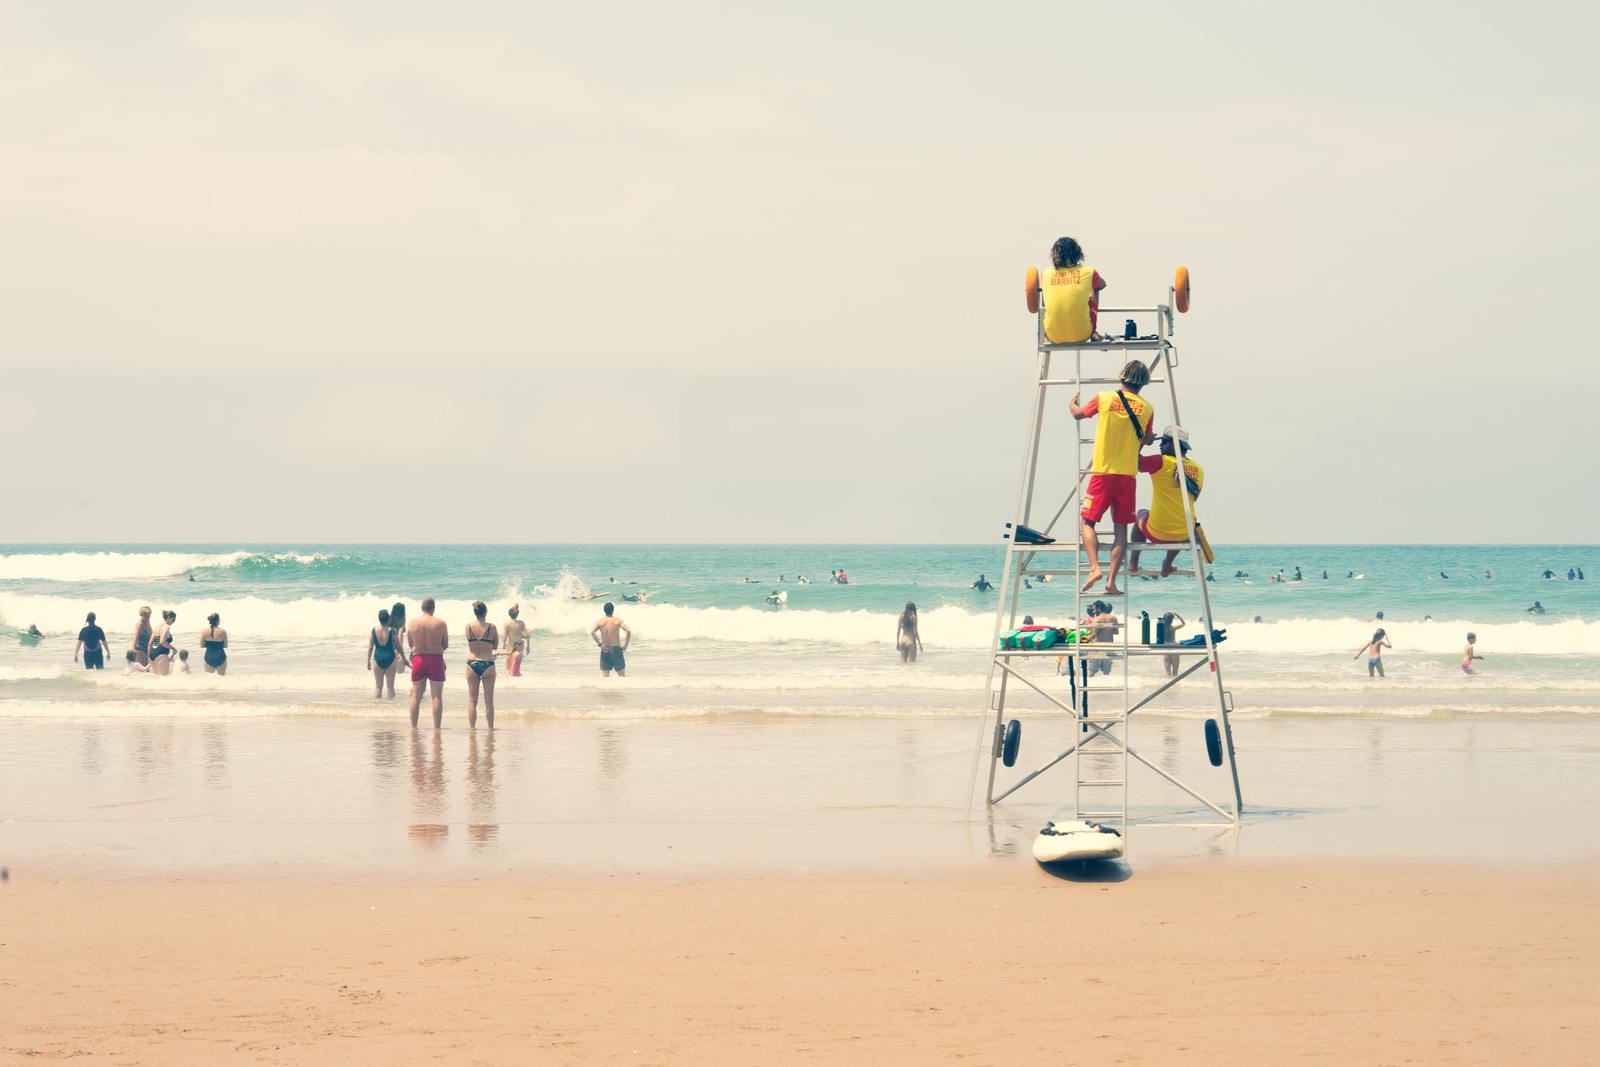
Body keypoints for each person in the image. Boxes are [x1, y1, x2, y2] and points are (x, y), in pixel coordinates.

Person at [1070, 360, 1155, 595]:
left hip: (1103, 472)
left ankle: (1095, 568)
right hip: (1127, 475)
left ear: (1122, 376)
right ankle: (1111, 582)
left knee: (1087, 522)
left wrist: (1071, 403)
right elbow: (1145, 440)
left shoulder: (1104, 397)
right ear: (1144, 382)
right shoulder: (1147, 408)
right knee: (1120, 531)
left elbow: (1079, 414)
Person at [1130, 427, 1203, 578]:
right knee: (1183, 520)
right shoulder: (1199, 470)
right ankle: (1167, 564)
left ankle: (1133, 562)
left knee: (1140, 514)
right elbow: (1193, 497)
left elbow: (1132, 461)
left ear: (1174, 445)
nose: (1160, 445)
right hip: (1185, 533)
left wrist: (1142, 442)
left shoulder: (1160, 462)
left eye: (1164, 442)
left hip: (1157, 531)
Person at [1040, 236, 1107, 344]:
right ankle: (1094, 332)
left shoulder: (1045, 273)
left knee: (1047, 293)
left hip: (1052, 335)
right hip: (1083, 333)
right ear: (1077, 254)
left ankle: (1046, 334)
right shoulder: (1089, 272)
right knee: (1095, 289)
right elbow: (1102, 284)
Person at [407, 597, 449, 729]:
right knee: (436, 696)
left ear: (422, 608)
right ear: (433, 608)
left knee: (415, 695)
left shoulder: (412, 623)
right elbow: (445, 644)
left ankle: (414, 727)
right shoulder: (440, 623)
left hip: (418, 658)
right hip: (435, 658)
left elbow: (410, 644)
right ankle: (437, 728)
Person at [464, 601, 498, 730]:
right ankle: (490, 729)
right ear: (486, 612)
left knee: (472, 700)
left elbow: (470, 643)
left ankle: (472, 729)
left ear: (475, 613)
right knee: (489, 701)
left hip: (472, 663)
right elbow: (495, 646)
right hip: (488, 663)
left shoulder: (468, 627)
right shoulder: (492, 627)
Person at [367, 608, 401, 699]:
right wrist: (402, 657)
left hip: (378, 659)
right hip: (390, 658)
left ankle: (378, 708)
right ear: (388, 618)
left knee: (378, 687)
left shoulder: (374, 630)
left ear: (379, 618)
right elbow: (398, 646)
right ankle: (391, 708)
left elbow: (370, 647)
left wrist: (368, 661)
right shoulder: (392, 630)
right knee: (390, 688)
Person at [591, 602, 630, 677]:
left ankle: (606, 688)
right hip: (616, 649)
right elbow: (628, 631)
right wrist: (625, 645)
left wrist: (600, 644)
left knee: (605, 677)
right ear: (613, 610)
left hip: (605, 649)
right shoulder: (618, 621)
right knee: (622, 676)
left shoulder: (600, 621)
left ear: (604, 610)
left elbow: (592, 632)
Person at [502, 604, 529, 678]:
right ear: (517, 614)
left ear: (509, 614)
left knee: (508, 663)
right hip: (520, 645)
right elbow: (526, 635)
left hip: (511, 644)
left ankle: (510, 677)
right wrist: (528, 646)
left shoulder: (507, 623)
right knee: (517, 663)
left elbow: (504, 636)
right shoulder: (521, 623)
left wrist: (504, 644)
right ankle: (517, 676)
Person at [148, 610, 176, 676]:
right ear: (169, 617)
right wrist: (173, 649)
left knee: (156, 678)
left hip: (152, 654)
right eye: (173, 619)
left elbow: (150, 644)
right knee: (164, 678)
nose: (173, 622)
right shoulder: (166, 627)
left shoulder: (157, 626)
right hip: (161, 655)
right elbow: (162, 641)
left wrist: (148, 657)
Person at [1160, 611, 1186, 677]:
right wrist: (1177, 615)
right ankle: (1175, 686)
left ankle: (1168, 687)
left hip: (1166, 651)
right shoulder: (1173, 628)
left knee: (1168, 674)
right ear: (1171, 620)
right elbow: (1183, 623)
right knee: (1175, 673)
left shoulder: (1161, 629)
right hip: (1175, 650)